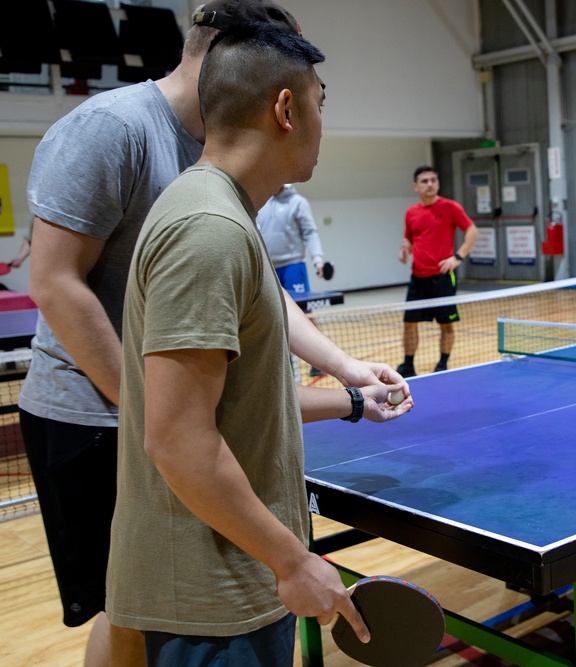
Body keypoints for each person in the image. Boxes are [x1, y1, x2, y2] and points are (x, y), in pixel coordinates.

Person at [21, 2, 404, 664]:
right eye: (318, 99)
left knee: (139, 607)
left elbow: (256, 298)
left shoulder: (220, 190)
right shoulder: (131, 146)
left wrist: (345, 373)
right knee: (128, 609)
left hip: (172, 416)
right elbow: (56, 285)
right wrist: (291, 558)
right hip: (90, 413)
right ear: (282, 104)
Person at [396, 165, 478, 377]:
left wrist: (458, 257)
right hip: (418, 278)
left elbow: (472, 230)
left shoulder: (450, 208)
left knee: (446, 325)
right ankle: (408, 364)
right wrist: (404, 248)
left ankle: (442, 363)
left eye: (433, 180)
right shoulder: (411, 212)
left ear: (438, 183)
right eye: (424, 181)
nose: (430, 184)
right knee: (409, 324)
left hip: (442, 278)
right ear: (416, 186)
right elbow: (409, 238)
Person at [257, 183, 325, 294]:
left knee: (300, 307)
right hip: (268, 269)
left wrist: (318, 260)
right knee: (275, 311)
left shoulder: (298, 202)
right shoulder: (261, 203)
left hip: (293, 266)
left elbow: (310, 233)